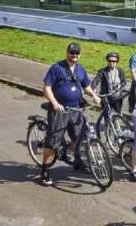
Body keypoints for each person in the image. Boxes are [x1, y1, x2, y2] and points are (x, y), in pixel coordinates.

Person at [38, 42, 101, 186]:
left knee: (79, 138)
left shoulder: (80, 69)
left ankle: (78, 162)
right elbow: (46, 87)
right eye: (72, 53)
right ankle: (45, 172)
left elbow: (86, 86)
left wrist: (94, 96)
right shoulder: (57, 68)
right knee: (53, 142)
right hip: (60, 110)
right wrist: (54, 103)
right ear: (67, 53)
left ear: (80, 54)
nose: (74, 55)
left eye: (77, 53)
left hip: (76, 109)